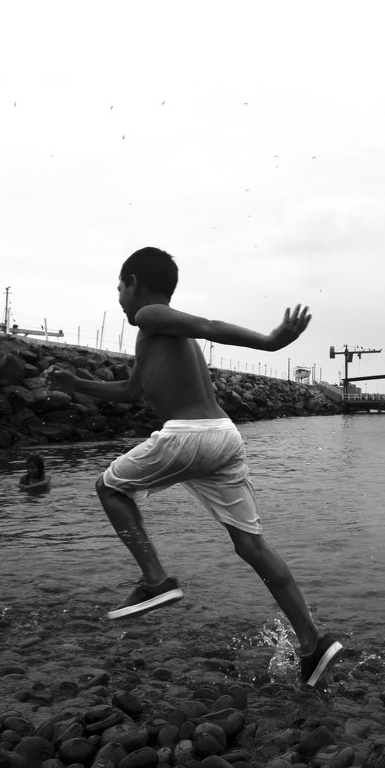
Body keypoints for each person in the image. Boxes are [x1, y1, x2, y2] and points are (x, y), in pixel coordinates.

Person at [45, 247, 342, 687]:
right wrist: (77, 384)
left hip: (191, 434)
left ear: (134, 283)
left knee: (110, 488)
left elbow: (209, 327)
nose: (120, 300)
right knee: (251, 546)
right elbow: (131, 391)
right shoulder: (156, 336)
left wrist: (271, 342)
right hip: (223, 436)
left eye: (120, 289)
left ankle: (156, 580)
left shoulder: (150, 314)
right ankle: (312, 642)